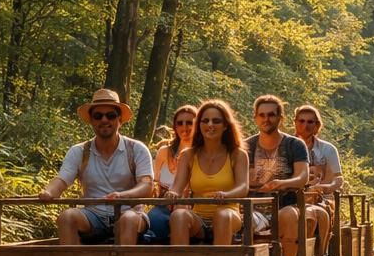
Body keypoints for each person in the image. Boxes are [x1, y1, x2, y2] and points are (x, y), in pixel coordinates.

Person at [38, 88, 153, 245]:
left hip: (129, 211)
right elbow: (62, 180)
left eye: (111, 115)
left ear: (119, 119)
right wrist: (48, 192)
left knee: (128, 220)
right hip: (92, 215)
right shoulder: (79, 151)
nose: (104, 120)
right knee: (67, 217)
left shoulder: (136, 149)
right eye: (98, 116)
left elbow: (147, 185)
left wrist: (123, 195)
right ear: (91, 120)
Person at [246, 94, 308, 256]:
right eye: (262, 115)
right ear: (255, 117)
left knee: (289, 216)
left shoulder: (295, 145)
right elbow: (240, 177)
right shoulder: (246, 146)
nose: (266, 119)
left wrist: (281, 183)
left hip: (285, 204)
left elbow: (302, 177)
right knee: (240, 219)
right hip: (253, 207)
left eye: (271, 115)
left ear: (280, 117)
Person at [166, 100, 250, 245]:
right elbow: (177, 187)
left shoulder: (237, 155)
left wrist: (226, 195)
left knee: (222, 215)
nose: (210, 125)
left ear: (225, 126)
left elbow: (243, 187)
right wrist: (172, 193)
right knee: (179, 215)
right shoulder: (188, 155)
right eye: (205, 120)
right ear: (199, 125)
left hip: (229, 213)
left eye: (216, 121)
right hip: (199, 217)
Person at [294, 103, 343, 256]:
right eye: (301, 121)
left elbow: (339, 178)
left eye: (310, 122)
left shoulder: (328, 149)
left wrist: (327, 187)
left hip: (323, 197)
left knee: (321, 213)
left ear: (317, 126)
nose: (305, 125)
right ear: (295, 123)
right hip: (293, 197)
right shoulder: (287, 146)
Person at [144, 104, 197, 243]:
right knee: (153, 221)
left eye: (189, 123)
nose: (184, 127)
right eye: (180, 123)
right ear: (175, 126)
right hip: (163, 207)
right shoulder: (164, 152)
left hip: (192, 209)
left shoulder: (201, 154)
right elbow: (154, 182)